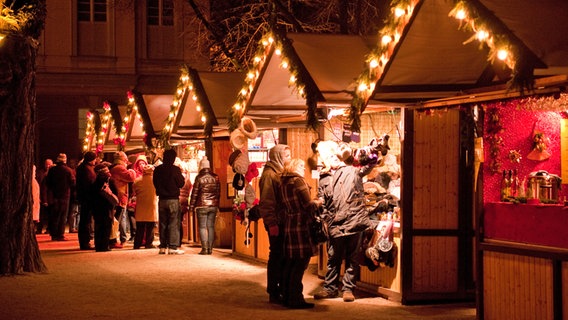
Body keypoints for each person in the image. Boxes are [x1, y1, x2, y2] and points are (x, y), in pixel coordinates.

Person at [314, 142, 375, 302]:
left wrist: (372, 151)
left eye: (335, 155)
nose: (333, 158)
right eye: (329, 156)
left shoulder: (353, 171)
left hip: (355, 220)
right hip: (336, 223)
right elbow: (323, 201)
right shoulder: (324, 178)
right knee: (333, 258)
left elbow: (370, 164)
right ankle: (330, 288)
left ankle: (348, 289)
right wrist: (327, 218)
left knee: (352, 258)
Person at [280, 158, 320, 309]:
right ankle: (296, 298)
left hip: (290, 225)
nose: (304, 169)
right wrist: (318, 202)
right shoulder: (298, 181)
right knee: (300, 264)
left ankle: (286, 295)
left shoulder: (284, 183)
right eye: (301, 166)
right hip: (302, 226)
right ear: (294, 167)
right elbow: (308, 205)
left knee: (291, 263)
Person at [258, 144, 291, 304]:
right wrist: (272, 223)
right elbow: (267, 201)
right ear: (278, 157)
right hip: (276, 222)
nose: (288, 159)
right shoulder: (270, 175)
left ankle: (281, 288)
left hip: (283, 220)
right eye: (286, 156)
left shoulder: (279, 172)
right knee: (277, 255)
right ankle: (274, 290)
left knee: (282, 255)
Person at [153, 148, 186, 255]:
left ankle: (162, 246)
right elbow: (181, 183)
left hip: (162, 199)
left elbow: (155, 183)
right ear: (173, 158)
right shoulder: (175, 169)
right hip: (173, 199)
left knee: (163, 223)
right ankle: (172, 246)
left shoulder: (158, 169)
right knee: (173, 223)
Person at [189, 156, 220, 255]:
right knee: (211, 226)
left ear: (201, 166)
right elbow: (218, 193)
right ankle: (210, 248)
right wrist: (217, 204)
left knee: (202, 227)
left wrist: (191, 207)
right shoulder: (216, 177)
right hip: (213, 206)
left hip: (201, 205)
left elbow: (195, 193)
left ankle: (204, 248)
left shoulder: (199, 178)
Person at [45, 153, 76, 241]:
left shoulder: (52, 170)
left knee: (54, 215)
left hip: (54, 195)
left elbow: (48, 182)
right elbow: (73, 182)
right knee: (62, 215)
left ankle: (53, 233)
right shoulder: (68, 170)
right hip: (65, 195)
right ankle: (60, 234)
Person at [109, 151, 136, 248]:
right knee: (117, 221)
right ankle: (113, 240)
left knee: (119, 220)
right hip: (120, 197)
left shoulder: (114, 168)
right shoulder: (119, 168)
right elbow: (131, 177)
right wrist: (132, 170)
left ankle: (120, 238)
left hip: (119, 197)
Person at [75, 151, 98, 250]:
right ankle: (85, 242)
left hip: (85, 197)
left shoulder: (84, 168)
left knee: (86, 220)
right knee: (86, 220)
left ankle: (85, 241)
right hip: (87, 198)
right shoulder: (86, 169)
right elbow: (88, 184)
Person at [132, 165, 158, 249]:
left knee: (140, 227)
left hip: (141, 206)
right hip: (151, 205)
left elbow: (134, 191)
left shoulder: (137, 181)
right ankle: (148, 243)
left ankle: (137, 243)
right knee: (150, 227)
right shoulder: (155, 181)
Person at [91, 162, 115, 252]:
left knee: (98, 227)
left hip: (97, 207)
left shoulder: (95, 181)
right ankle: (105, 246)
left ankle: (98, 246)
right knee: (106, 226)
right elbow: (114, 193)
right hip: (106, 206)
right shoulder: (109, 181)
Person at [177, 158, 192, 246]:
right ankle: (180, 240)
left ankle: (177, 240)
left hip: (177, 200)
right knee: (180, 221)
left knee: (176, 221)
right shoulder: (188, 179)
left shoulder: (178, 177)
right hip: (185, 201)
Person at [36, 158, 53, 234]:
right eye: (47, 164)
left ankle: (49, 229)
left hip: (50, 197)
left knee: (50, 215)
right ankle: (39, 228)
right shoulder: (40, 173)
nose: (48, 166)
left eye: (49, 164)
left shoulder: (53, 173)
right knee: (41, 215)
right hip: (42, 196)